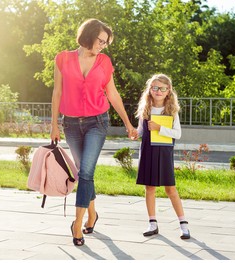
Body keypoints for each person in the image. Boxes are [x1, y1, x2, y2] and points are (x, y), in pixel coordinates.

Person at [50, 18, 138, 246]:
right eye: (101, 40)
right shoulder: (63, 59)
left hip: (97, 122)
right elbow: (57, 93)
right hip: (70, 123)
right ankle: (92, 214)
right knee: (82, 171)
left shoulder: (104, 62)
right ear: (88, 35)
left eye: (106, 43)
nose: (103, 45)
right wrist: (53, 124)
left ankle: (77, 224)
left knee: (87, 172)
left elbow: (113, 93)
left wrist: (128, 124)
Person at [135, 73, 190, 240]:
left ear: (168, 91)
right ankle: (152, 223)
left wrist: (159, 128)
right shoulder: (145, 109)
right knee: (149, 188)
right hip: (147, 151)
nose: (158, 91)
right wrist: (133, 134)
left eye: (162, 88)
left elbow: (177, 134)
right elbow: (141, 131)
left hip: (164, 152)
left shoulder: (171, 111)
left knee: (170, 189)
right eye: (155, 88)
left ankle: (183, 224)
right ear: (150, 90)